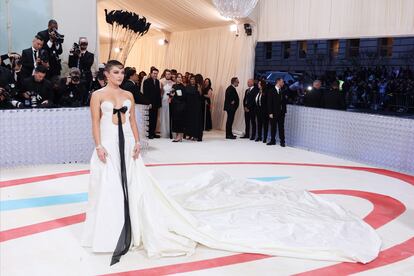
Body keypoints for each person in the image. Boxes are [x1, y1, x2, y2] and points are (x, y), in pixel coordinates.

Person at [82, 60, 381, 266]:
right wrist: (98, 145)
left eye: (122, 72)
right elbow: (95, 122)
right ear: (107, 75)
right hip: (107, 143)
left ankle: (131, 225)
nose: (120, 77)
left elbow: (133, 122)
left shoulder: (129, 95)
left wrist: (137, 143)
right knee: (107, 185)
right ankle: (107, 230)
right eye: (116, 73)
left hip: (127, 145)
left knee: (132, 186)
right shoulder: (98, 95)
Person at [267, 77, 287, 146]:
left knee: (281, 128)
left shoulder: (283, 91)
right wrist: (270, 112)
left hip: (281, 113)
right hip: (273, 113)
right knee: (273, 127)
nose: (283, 83)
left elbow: (284, 102)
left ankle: (282, 141)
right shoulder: (271, 91)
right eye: (282, 82)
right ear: (278, 82)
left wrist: (284, 111)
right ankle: (273, 140)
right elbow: (269, 103)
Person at [143, 67, 161, 139]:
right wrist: (148, 103)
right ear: (151, 73)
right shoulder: (146, 81)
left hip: (156, 103)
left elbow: (158, 93)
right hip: (149, 103)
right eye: (154, 73)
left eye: (156, 74)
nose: (155, 75)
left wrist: (159, 103)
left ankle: (153, 133)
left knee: (155, 118)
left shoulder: (157, 81)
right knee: (149, 118)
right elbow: (146, 93)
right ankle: (149, 133)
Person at [184, 75, 203, 141]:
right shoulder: (187, 86)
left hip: (196, 107)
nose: (192, 80)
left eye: (194, 79)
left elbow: (200, 95)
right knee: (189, 121)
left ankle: (195, 135)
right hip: (188, 107)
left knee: (196, 121)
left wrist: (199, 88)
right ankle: (189, 135)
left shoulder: (197, 86)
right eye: (191, 79)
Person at [170, 73, 186, 142]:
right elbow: (171, 95)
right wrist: (171, 94)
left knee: (180, 120)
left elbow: (184, 97)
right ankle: (177, 136)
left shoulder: (183, 86)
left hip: (181, 105)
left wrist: (176, 95)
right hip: (174, 105)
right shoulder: (174, 85)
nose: (179, 78)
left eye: (180, 77)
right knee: (175, 120)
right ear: (176, 78)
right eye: (178, 77)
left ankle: (179, 136)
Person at [160, 69, 173, 138]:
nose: (168, 75)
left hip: (170, 100)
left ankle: (169, 131)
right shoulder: (161, 81)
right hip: (163, 99)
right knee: (163, 115)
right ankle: (163, 131)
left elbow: (173, 91)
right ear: (165, 74)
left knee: (169, 115)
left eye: (169, 74)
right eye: (167, 74)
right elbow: (160, 92)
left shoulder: (172, 82)